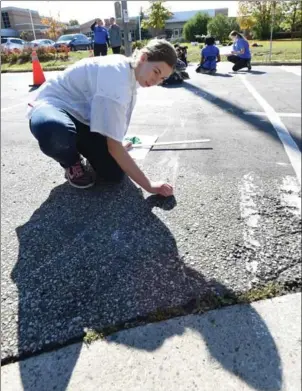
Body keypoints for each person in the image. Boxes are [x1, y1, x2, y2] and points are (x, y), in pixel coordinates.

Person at [27, 40, 177, 197]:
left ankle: (76, 142)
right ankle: (71, 162)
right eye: (156, 71)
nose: (156, 81)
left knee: (114, 174)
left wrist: (117, 141)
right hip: (53, 106)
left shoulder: (131, 78)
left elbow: (114, 125)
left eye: (162, 79)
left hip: (83, 120)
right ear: (144, 58)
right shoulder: (117, 77)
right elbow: (114, 146)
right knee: (54, 131)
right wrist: (150, 186)